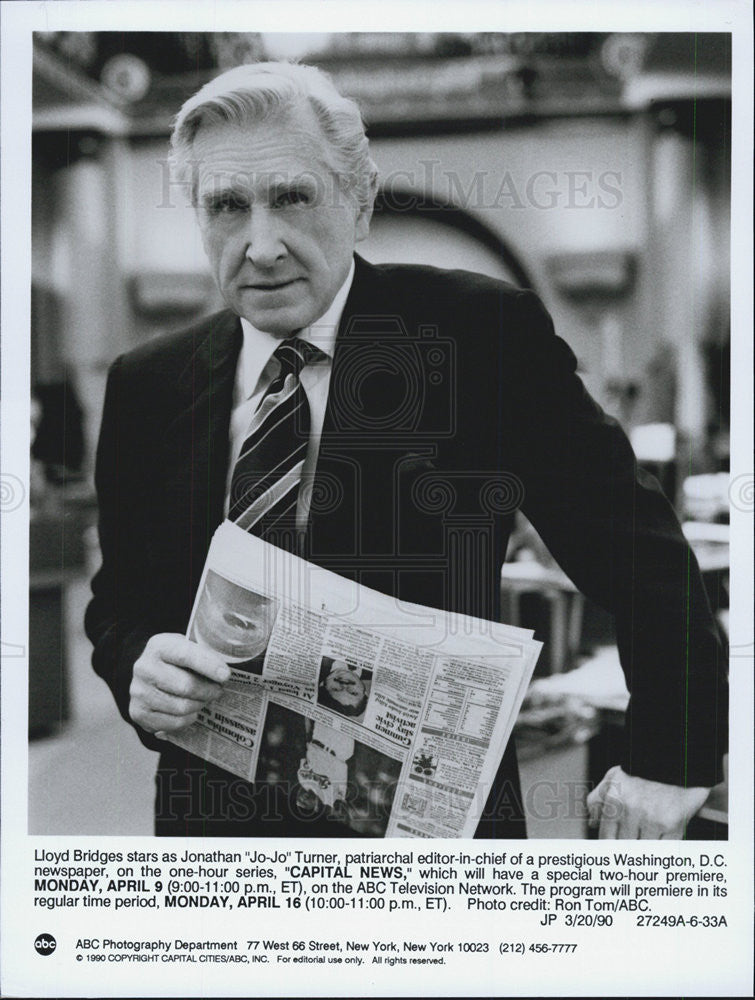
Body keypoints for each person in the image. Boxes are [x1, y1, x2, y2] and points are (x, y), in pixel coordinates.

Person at [85, 61, 728, 839]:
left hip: (430, 840)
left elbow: (640, 554)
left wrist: (672, 758)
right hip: (215, 826)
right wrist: (135, 668)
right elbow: (120, 604)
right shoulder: (147, 383)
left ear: (358, 204)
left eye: (292, 197)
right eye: (227, 206)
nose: (259, 246)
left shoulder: (477, 336)